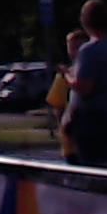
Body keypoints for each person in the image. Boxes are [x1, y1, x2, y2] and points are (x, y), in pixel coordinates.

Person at [64, 0, 107, 168]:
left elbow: (84, 87)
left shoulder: (89, 50)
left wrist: (68, 77)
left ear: (86, 21)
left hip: (92, 119)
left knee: (92, 169)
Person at [46, 30, 83, 159]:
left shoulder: (67, 74)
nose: (73, 51)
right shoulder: (63, 75)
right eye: (71, 47)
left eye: (77, 47)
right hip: (73, 141)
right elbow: (58, 107)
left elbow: (58, 109)